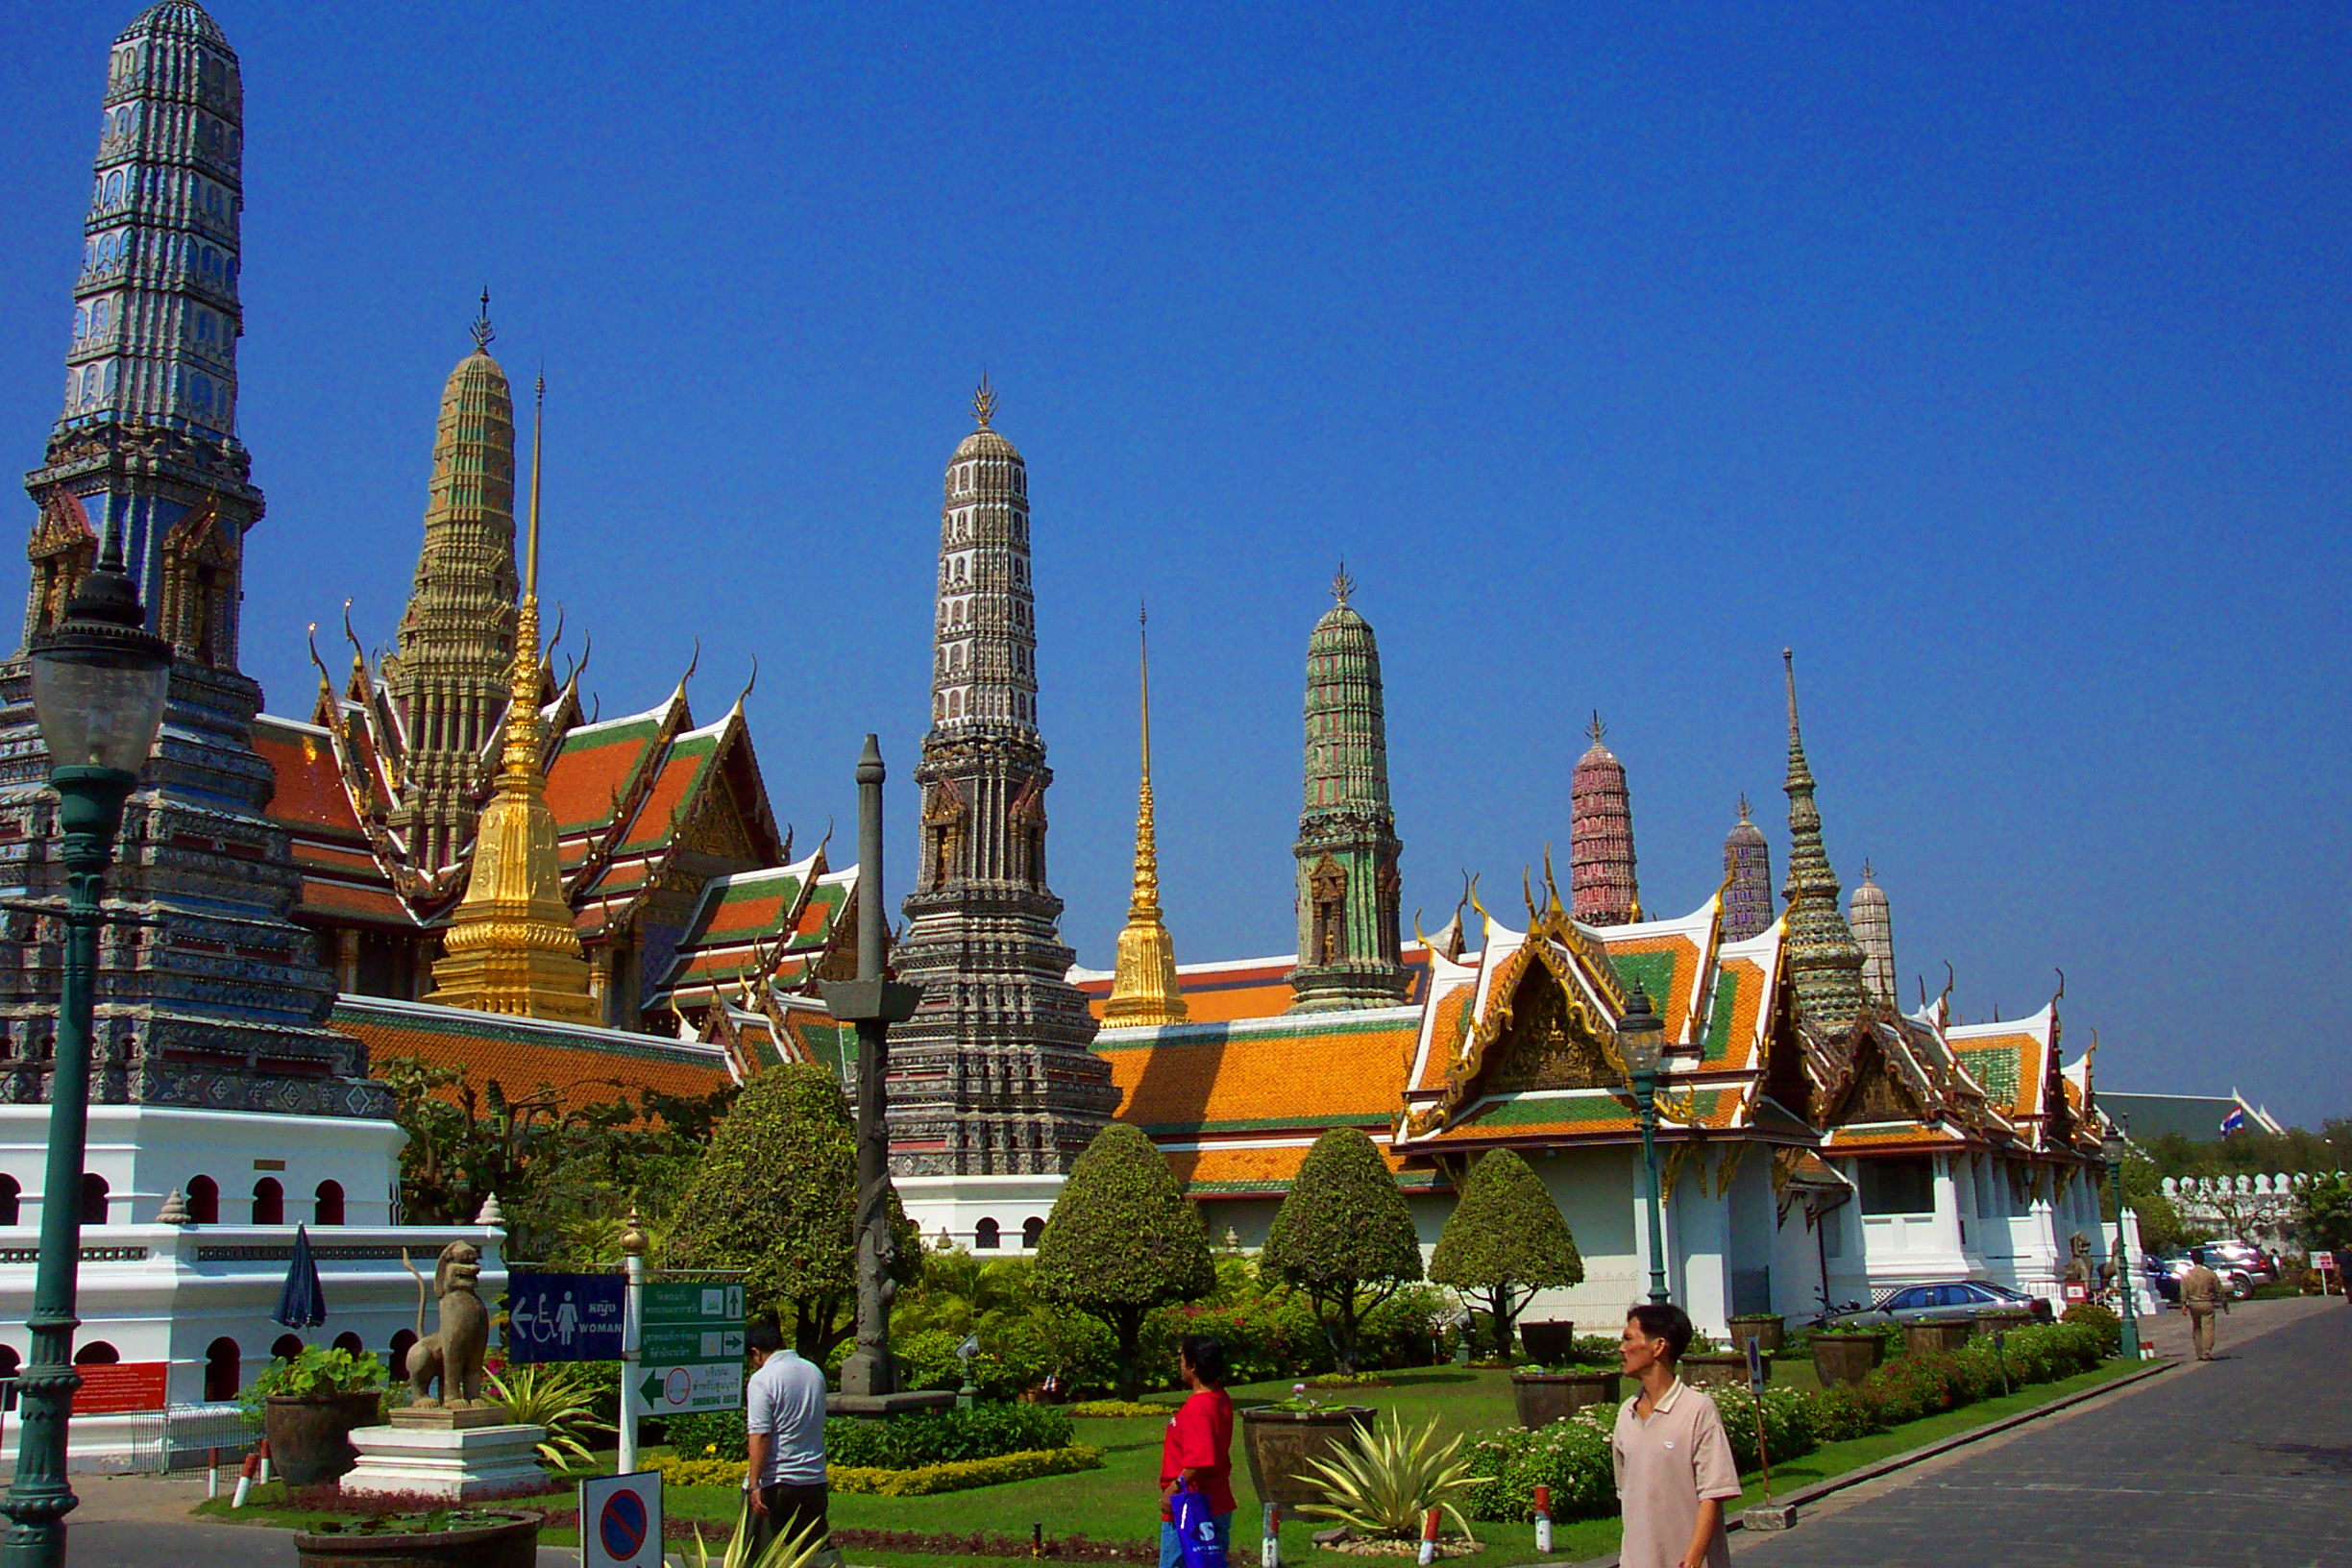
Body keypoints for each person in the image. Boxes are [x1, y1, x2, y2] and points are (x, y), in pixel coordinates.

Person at [1612, 1304, 1742, 1568]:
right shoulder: (1626, 1414)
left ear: (1659, 1346)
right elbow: (1626, 1493)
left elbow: (1713, 1494)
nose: (1621, 1349)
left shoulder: (1697, 1410)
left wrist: (1692, 1561)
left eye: (1628, 1339)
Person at [744, 1318, 838, 1565]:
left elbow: (760, 1434)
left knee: (758, 1554)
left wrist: (754, 1484)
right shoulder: (812, 1371)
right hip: (813, 1478)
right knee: (817, 1548)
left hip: (777, 1481)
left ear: (756, 1353)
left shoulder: (763, 1380)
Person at [1159, 1335, 1236, 1568]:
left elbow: (1200, 1461)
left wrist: (1173, 1490)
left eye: (1182, 1359)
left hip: (1192, 1507)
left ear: (1193, 1366)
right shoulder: (1219, 1398)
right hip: (1216, 1500)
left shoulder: (1199, 1408)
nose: (1180, 1365)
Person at [2179, 1259, 2229, 1360]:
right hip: (2206, 1302)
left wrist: (2184, 1304)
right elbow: (2219, 1289)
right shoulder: (2210, 1274)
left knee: (2197, 1328)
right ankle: (2206, 1351)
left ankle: (2199, 1352)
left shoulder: (2187, 1275)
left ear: (2193, 1260)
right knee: (2208, 1328)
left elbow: (2183, 1291)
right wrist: (2224, 1302)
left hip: (2193, 1303)